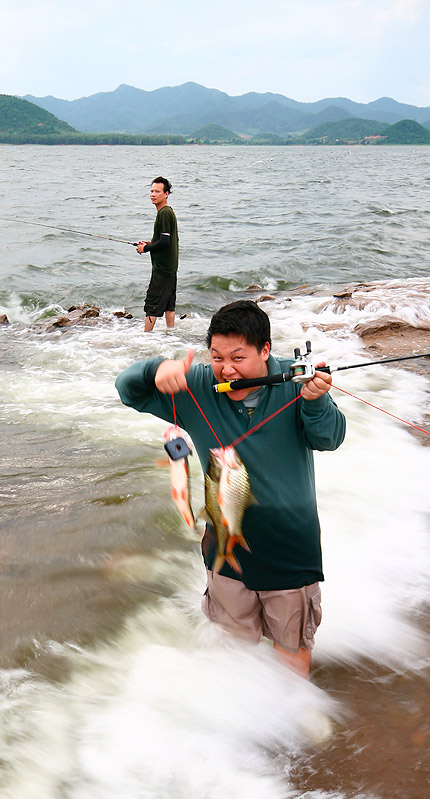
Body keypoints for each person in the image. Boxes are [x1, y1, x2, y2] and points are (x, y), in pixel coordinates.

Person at [115, 300, 346, 678]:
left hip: (290, 549)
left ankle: (288, 724)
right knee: (233, 651)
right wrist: (157, 369)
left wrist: (316, 402)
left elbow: (330, 439)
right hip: (223, 549)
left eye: (239, 357)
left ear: (266, 350)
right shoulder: (200, 385)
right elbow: (128, 390)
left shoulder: (296, 381)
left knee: (292, 651)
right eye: (218, 356)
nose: (227, 368)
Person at [136, 177, 179, 332]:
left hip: (162, 269)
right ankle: (170, 333)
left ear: (166, 194)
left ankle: (146, 338)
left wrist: (145, 249)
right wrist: (150, 243)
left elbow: (165, 241)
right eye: (152, 191)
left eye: (157, 191)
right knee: (169, 303)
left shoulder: (164, 213)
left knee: (152, 304)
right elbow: (162, 239)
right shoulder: (167, 212)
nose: (153, 194)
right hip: (170, 268)